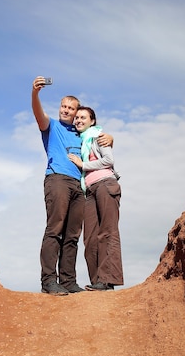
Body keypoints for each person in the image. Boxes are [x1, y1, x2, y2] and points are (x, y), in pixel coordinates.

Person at [31, 76, 113, 295]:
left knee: (72, 235)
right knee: (55, 229)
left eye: (71, 108)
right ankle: (48, 280)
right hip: (57, 179)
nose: (66, 110)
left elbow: (99, 139)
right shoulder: (52, 126)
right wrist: (35, 93)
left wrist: (111, 138)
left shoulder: (82, 134)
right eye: (63, 106)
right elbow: (38, 114)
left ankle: (68, 281)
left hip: (79, 186)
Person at [68, 106, 123, 291]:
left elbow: (108, 160)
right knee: (90, 237)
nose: (78, 120)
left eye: (83, 117)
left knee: (108, 232)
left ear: (92, 121)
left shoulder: (98, 137)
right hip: (89, 191)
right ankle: (97, 281)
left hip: (105, 184)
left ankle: (108, 280)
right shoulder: (82, 141)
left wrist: (83, 164)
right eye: (76, 118)